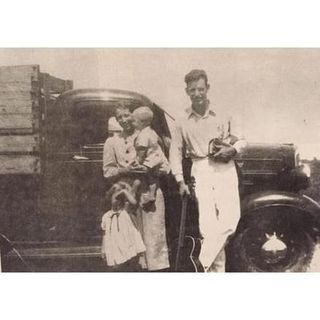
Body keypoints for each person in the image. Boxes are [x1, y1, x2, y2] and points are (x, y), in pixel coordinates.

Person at [170, 69, 246, 272]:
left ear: (208, 88)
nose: (197, 93)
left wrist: (233, 149)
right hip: (200, 170)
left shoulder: (223, 112)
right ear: (187, 91)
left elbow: (241, 139)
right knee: (209, 228)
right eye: (192, 90)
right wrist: (180, 181)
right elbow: (175, 153)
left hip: (225, 169)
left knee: (230, 220)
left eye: (201, 89)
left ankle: (200, 260)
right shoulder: (181, 120)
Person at [103, 104, 170, 271]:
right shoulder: (112, 142)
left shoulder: (147, 136)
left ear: (133, 116)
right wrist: (126, 170)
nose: (124, 120)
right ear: (116, 120)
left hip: (149, 194)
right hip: (127, 195)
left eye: (127, 115)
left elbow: (165, 166)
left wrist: (148, 169)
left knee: (153, 243)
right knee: (130, 244)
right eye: (120, 117)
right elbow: (108, 171)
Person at [101, 181, 146, 268]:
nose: (116, 198)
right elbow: (104, 234)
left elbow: (133, 202)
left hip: (126, 245)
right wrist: (103, 248)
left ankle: (140, 258)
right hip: (114, 246)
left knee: (129, 264)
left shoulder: (125, 212)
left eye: (119, 196)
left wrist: (124, 191)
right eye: (114, 195)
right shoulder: (107, 216)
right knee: (117, 266)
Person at [131, 106, 170, 207]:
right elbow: (160, 142)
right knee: (153, 177)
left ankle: (132, 192)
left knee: (140, 174)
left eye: (134, 121)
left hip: (150, 159)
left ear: (142, 122)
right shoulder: (152, 131)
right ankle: (152, 195)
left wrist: (138, 161)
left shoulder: (143, 135)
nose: (132, 123)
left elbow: (142, 150)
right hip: (157, 158)